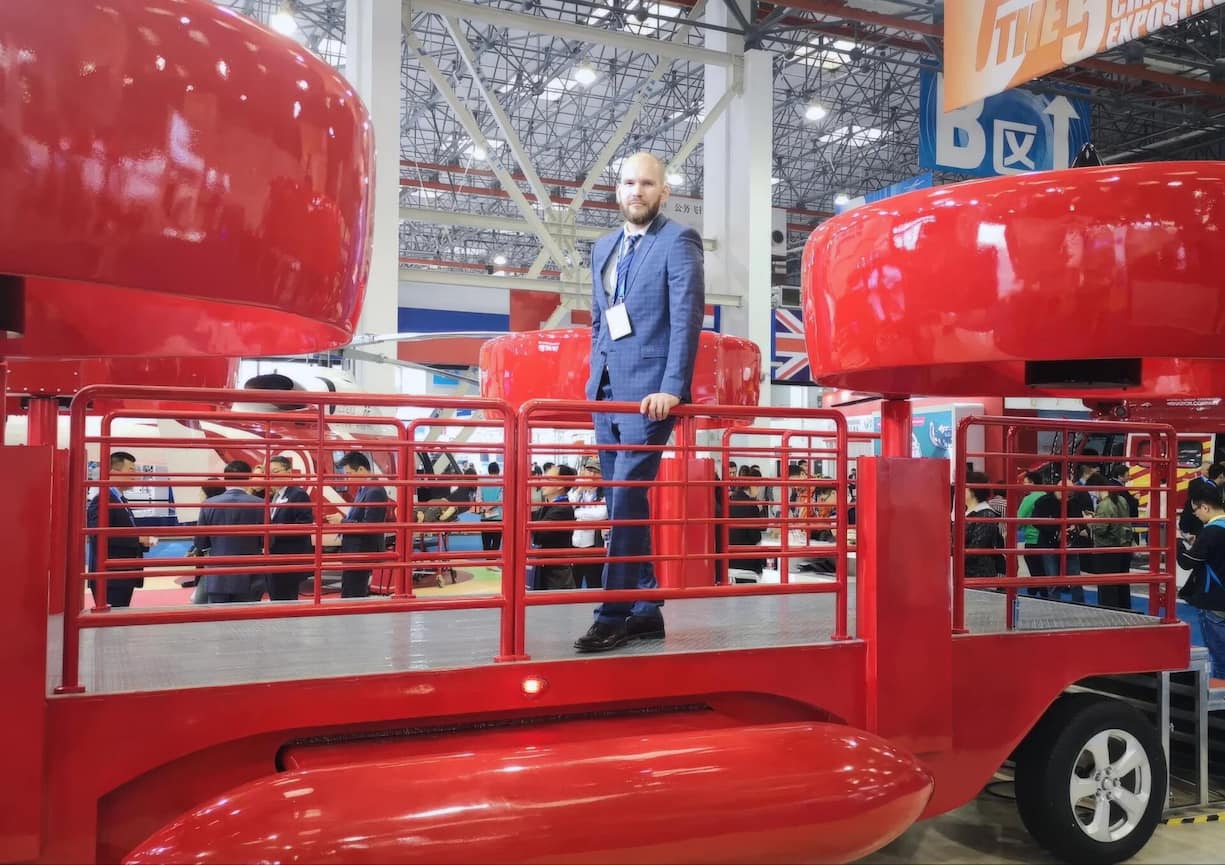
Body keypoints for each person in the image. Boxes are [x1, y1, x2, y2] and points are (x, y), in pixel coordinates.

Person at [575, 151, 705, 653]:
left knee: (627, 498)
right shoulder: (603, 247)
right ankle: (646, 609)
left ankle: (612, 614)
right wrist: (594, 378)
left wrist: (672, 386)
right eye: (629, 183)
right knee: (618, 499)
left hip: (652, 396)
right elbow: (597, 318)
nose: (637, 191)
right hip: (606, 393)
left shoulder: (679, 240)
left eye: (647, 184)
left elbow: (688, 316)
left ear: (664, 192)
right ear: (618, 190)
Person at [86, 451, 152, 607]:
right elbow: (99, 535)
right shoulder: (102, 500)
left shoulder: (120, 500)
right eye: (131, 471)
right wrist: (137, 539)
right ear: (113, 473)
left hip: (121, 575)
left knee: (118, 623)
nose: (136, 475)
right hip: (110, 577)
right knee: (111, 626)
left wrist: (141, 541)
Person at [195, 460, 264, 603]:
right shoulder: (260, 504)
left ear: (225, 478)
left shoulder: (209, 504)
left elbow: (200, 542)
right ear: (248, 478)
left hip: (218, 572)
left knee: (218, 619)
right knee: (246, 620)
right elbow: (267, 540)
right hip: (250, 572)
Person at [325, 451, 391, 598]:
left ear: (361, 469)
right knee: (351, 589)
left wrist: (342, 521)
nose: (347, 477)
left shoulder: (374, 490)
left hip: (362, 550)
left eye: (349, 473)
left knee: (353, 591)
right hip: (356, 549)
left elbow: (370, 525)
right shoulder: (365, 488)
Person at [1176, 483, 1225, 679]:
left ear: (1205, 507)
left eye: (1195, 510)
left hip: (1214, 600)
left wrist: (1179, 544)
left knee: (1220, 658)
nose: (1195, 514)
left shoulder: (1211, 531)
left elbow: (1188, 563)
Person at [266, 456, 312, 601]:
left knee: (286, 597)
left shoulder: (298, 494)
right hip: (275, 555)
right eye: (270, 473)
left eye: (276, 472)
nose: (272, 476)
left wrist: (275, 530)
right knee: (276, 595)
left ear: (289, 471)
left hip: (289, 555)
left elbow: (305, 525)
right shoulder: (277, 495)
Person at [532, 465, 578, 590]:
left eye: (548, 479)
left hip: (557, 576)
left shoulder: (562, 509)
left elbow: (538, 534)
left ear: (560, 485)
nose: (543, 483)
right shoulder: (551, 506)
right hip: (546, 570)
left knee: (558, 608)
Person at [571, 459, 607, 589]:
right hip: (575, 544)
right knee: (575, 582)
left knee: (594, 582)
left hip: (593, 545)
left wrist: (576, 513)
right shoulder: (578, 490)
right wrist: (580, 489)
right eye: (590, 470)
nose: (591, 475)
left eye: (596, 472)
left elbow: (601, 514)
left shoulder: (605, 492)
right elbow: (568, 505)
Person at [963, 471, 1004, 579]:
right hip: (965, 573)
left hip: (980, 575)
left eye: (963, 486)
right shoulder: (967, 512)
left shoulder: (986, 515)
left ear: (972, 490)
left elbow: (975, 548)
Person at [479, 462, 503, 552]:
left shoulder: (482, 482)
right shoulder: (501, 482)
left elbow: (478, 498)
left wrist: (486, 507)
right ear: (498, 470)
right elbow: (501, 499)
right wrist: (490, 507)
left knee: (486, 544)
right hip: (498, 517)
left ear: (489, 470)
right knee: (496, 544)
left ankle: (488, 563)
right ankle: (494, 564)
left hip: (484, 516)